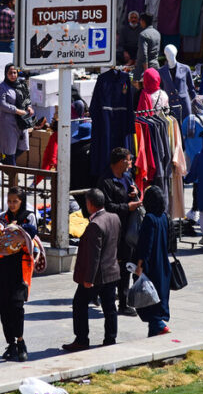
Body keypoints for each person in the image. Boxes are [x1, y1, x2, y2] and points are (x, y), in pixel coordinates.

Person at [63, 188, 121, 352]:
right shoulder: (114, 218)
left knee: (79, 304)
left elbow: (94, 256)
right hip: (112, 271)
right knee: (110, 307)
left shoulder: (95, 225)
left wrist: (88, 279)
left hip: (96, 276)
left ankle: (82, 339)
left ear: (90, 204)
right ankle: (110, 338)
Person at [0, 188, 38, 362]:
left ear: (22, 201)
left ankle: (20, 341)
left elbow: (32, 233)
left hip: (19, 267)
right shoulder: (1, 218)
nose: (11, 204)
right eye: (9, 201)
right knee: (3, 307)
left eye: (15, 201)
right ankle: (10, 343)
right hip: (1, 266)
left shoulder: (29, 216)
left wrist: (19, 231)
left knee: (17, 306)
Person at [98, 148, 141, 316]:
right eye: (129, 160)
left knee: (125, 267)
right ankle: (98, 294)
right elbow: (106, 207)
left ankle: (123, 302)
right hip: (112, 230)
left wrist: (135, 193)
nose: (131, 164)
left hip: (127, 230)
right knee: (108, 265)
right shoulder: (106, 181)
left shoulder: (127, 177)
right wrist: (126, 207)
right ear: (122, 161)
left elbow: (134, 191)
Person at [134, 186, 172, 337]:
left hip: (152, 265)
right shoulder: (164, 217)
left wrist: (140, 265)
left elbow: (146, 245)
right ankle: (154, 331)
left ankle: (159, 325)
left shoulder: (149, 219)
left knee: (150, 299)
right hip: (163, 263)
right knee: (158, 297)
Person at [0, 63, 32, 165]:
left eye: (14, 72)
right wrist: (16, 110)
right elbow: (2, 104)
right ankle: (13, 175)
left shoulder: (21, 84)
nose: (13, 75)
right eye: (10, 73)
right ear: (6, 74)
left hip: (22, 121)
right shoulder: (2, 87)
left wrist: (29, 107)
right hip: (8, 122)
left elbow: (27, 99)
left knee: (23, 146)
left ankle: (5, 163)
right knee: (10, 150)